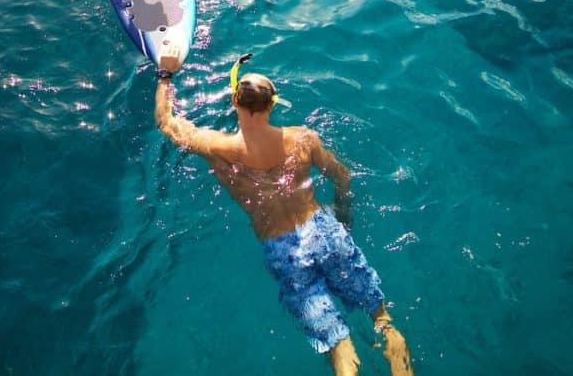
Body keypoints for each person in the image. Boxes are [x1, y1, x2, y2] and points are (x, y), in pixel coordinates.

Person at [153, 45, 414, 376]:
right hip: (324, 231)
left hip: (283, 250)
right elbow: (342, 176)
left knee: (338, 345)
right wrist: (344, 217)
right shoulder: (303, 139)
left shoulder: (218, 147)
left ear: (235, 102)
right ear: (273, 104)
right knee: (382, 319)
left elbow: (166, 122)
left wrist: (165, 74)